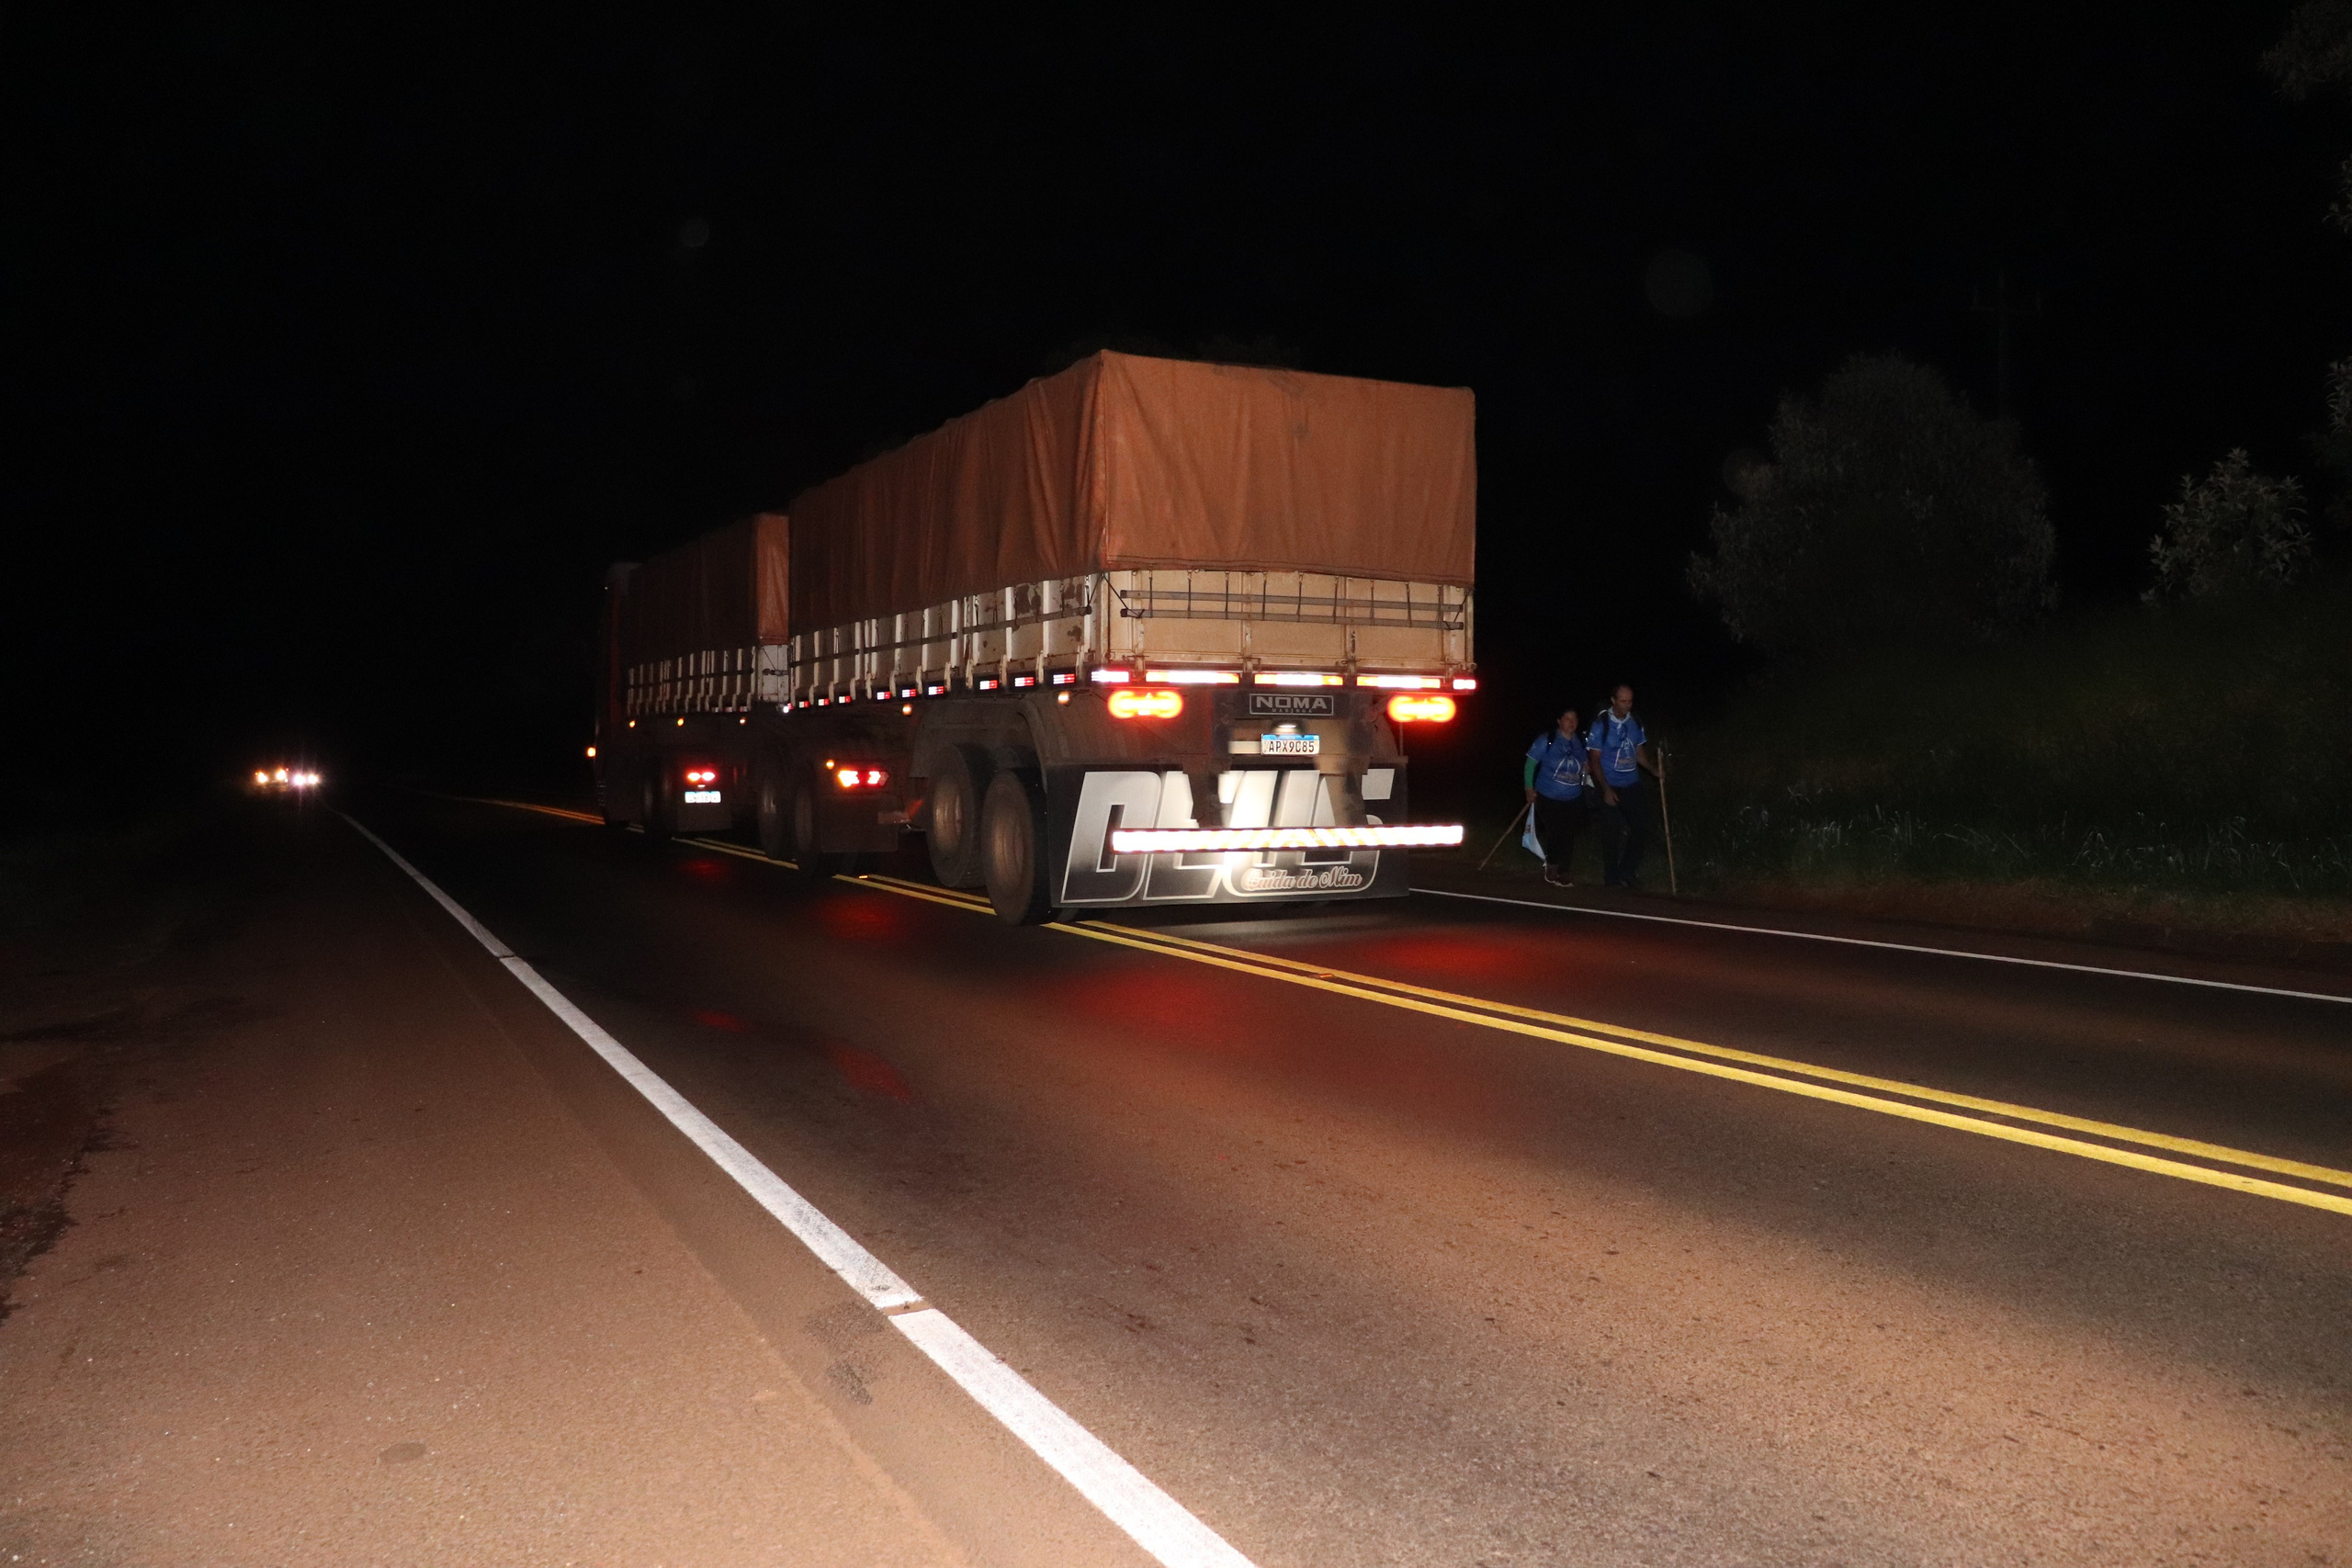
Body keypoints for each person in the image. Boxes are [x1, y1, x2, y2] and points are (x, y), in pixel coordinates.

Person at [1587, 683, 1657, 888]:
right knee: (1612, 831)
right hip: (1608, 783)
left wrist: (1653, 770)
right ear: (1613, 700)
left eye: (1630, 701)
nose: (1627, 705)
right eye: (1623, 701)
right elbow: (1595, 759)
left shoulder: (1635, 721)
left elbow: (1639, 753)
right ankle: (1611, 876)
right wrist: (1606, 789)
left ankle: (1627, 871)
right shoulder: (1601, 724)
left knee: (1641, 827)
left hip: (1631, 783)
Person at [1522, 705, 1589, 887]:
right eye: (1567, 719)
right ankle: (1552, 865)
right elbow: (1530, 764)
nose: (1571, 723)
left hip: (1573, 796)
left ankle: (1564, 871)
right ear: (1559, 721)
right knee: (1557, 830)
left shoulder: (1580, 742)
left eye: (1574, 719)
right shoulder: (1547, 740)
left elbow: (1585, 762)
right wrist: (1529, 788)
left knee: (1569, 834)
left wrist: (1586, 770)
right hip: (1547, 795)